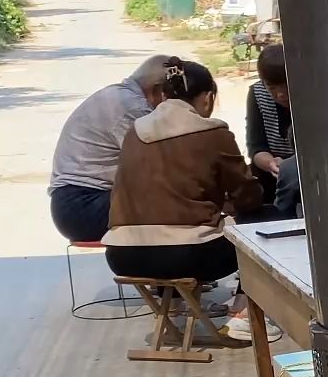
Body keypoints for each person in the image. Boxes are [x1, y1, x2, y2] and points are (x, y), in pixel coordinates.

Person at [104, 60, 264, 288]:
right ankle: (243, 310)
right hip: (190, 257)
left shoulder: (134, 132)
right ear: (208, 98)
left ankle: (175, 303)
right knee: (264, 222)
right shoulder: (215, 133)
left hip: (122, 256)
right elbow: (248, 197)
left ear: (162, 97)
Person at [47, 55, 176, 243]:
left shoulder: (118, 95)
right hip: (84, 206)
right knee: (179, 204)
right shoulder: (134, 108)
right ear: (158, 91)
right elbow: (162, 165)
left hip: (75, 204)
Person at [246, 44, 295, 208]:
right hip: (273, 176)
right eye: (272, 88)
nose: (280, 94)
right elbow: (256, 147)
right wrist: (271, 164)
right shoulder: (258, 94)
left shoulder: (311, 91)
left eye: (285, 85)